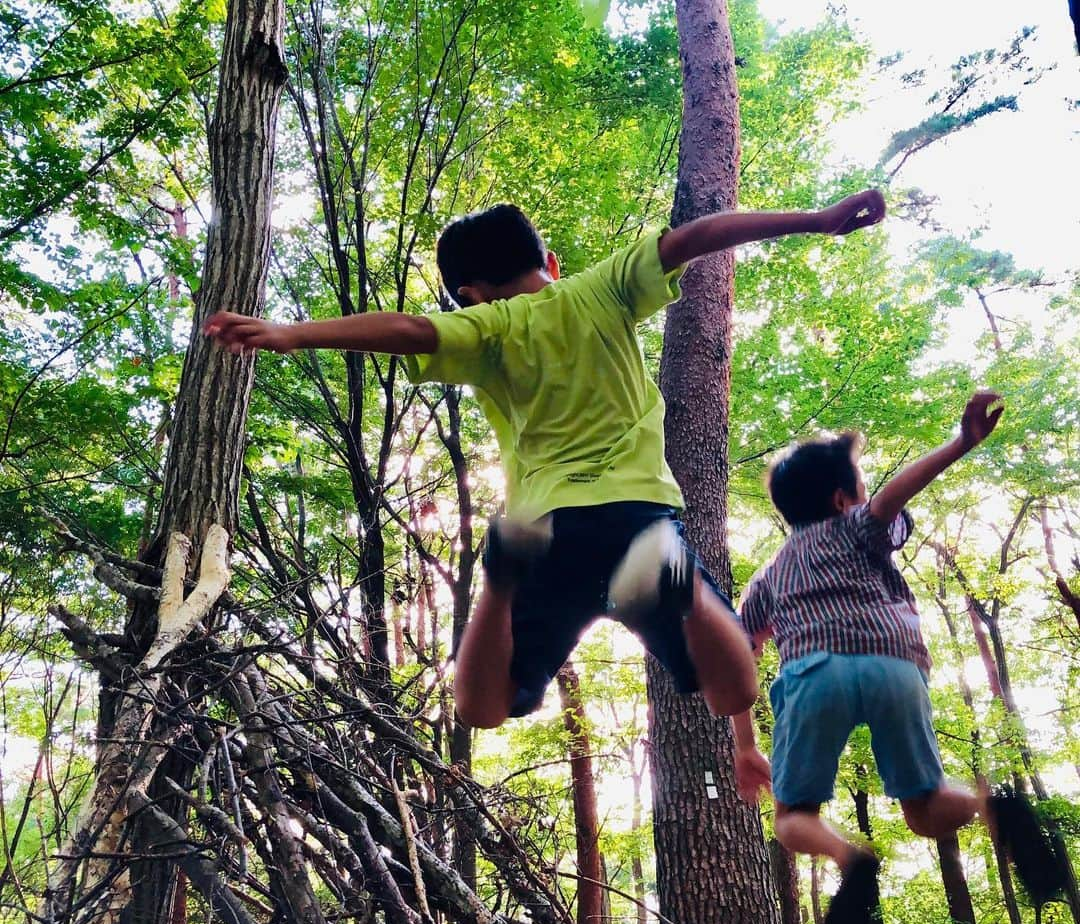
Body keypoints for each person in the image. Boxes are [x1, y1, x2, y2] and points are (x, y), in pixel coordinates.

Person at [205, 190, 886, 731]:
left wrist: (294, 333)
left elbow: (411, 330)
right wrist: (815, 220)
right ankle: (672, 581)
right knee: (732, 689)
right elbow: (699, 236)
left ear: (468, 294)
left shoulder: (484, 327)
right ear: (551, 263)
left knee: (483, 707)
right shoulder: (604, 287)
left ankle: (499, 583)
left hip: (544, 531)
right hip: (638, 519)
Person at [732, 392, 1065, 924]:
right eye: (859, 489)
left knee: (792, 817)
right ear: (843, 501)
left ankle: (850, 858)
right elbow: (890, 500)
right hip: (896, 668)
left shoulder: (767, 577)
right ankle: (992, 805)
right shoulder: (856, 528)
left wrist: (745, 745)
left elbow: (739, 655)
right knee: (926, 808)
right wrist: (961, 442)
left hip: (814, 675)